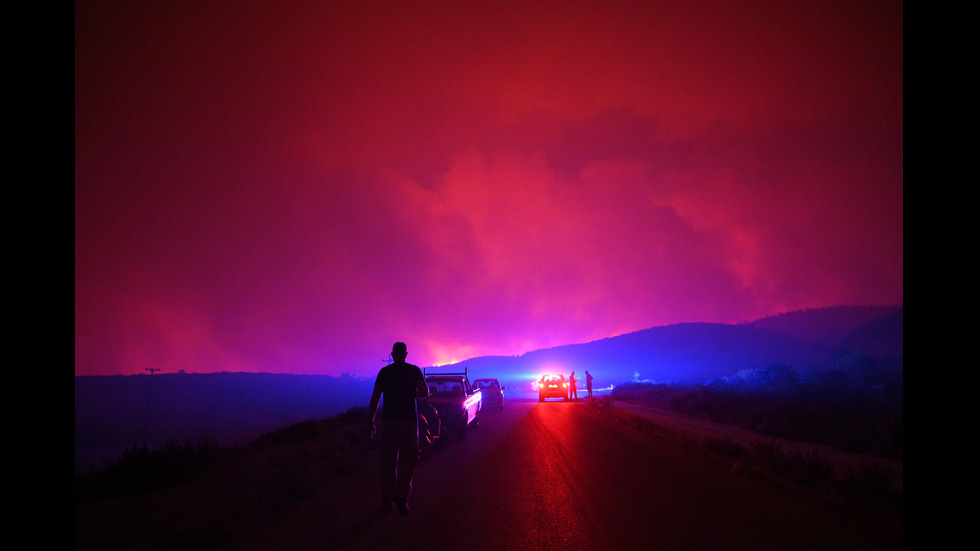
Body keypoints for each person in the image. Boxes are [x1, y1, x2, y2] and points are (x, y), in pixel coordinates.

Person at [367, 342, 429, 517]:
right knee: (409, 459)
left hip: (389, 421)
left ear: (393, 355)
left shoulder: (384, 373)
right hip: (409, 421)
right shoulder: (414, 371)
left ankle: (387, 504)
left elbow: (375, 397)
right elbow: (424, 392)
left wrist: (370, 420)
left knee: (388, 462)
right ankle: (401, 493)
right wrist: (413, 393)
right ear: (406, 354)